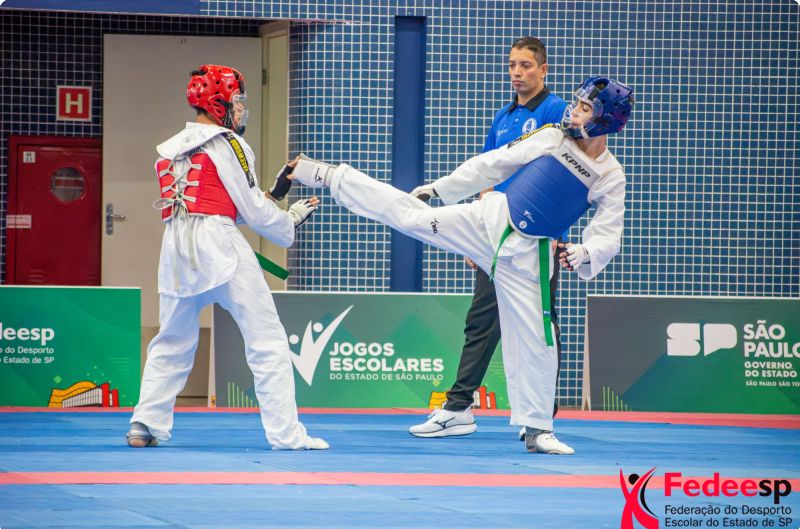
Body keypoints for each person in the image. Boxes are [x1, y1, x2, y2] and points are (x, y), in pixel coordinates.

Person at [289, 76, 634, 454]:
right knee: (411, 217)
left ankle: (538, 430)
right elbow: (494, 163)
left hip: (528, 258)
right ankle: (328, 175)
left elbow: (609, 231)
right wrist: (440, 188)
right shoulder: (553, 137)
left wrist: (586, 252)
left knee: (539, 338)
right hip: (488, 222)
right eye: (577, 103)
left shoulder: (610, 175)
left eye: (585, 108)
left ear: (607, 120)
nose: (574, 112)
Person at [127, 64, 328, 451]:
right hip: (220, 247)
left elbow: (216, 202)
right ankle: (286, 435)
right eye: (236, 102)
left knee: (171, 341)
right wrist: (289, 220)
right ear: (218, 103)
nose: (240, 110)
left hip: (176, 248)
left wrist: (274, 194)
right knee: (266, 340)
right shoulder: (229, 143)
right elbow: (250, 213)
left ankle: (144, 423)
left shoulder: (169, 150)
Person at [408, 37, 567, 439]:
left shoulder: (556, 111)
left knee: (541, 327)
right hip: (496, 236)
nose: (517, 72)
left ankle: (540, 416)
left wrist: (557, 233)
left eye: (526, 65)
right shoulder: (504, 116)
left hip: (537, 239)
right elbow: (488, 173)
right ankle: (459, 408)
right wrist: (476, 236)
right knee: (481, 322)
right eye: (512, 64)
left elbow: (564, 175)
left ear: (543, 69)